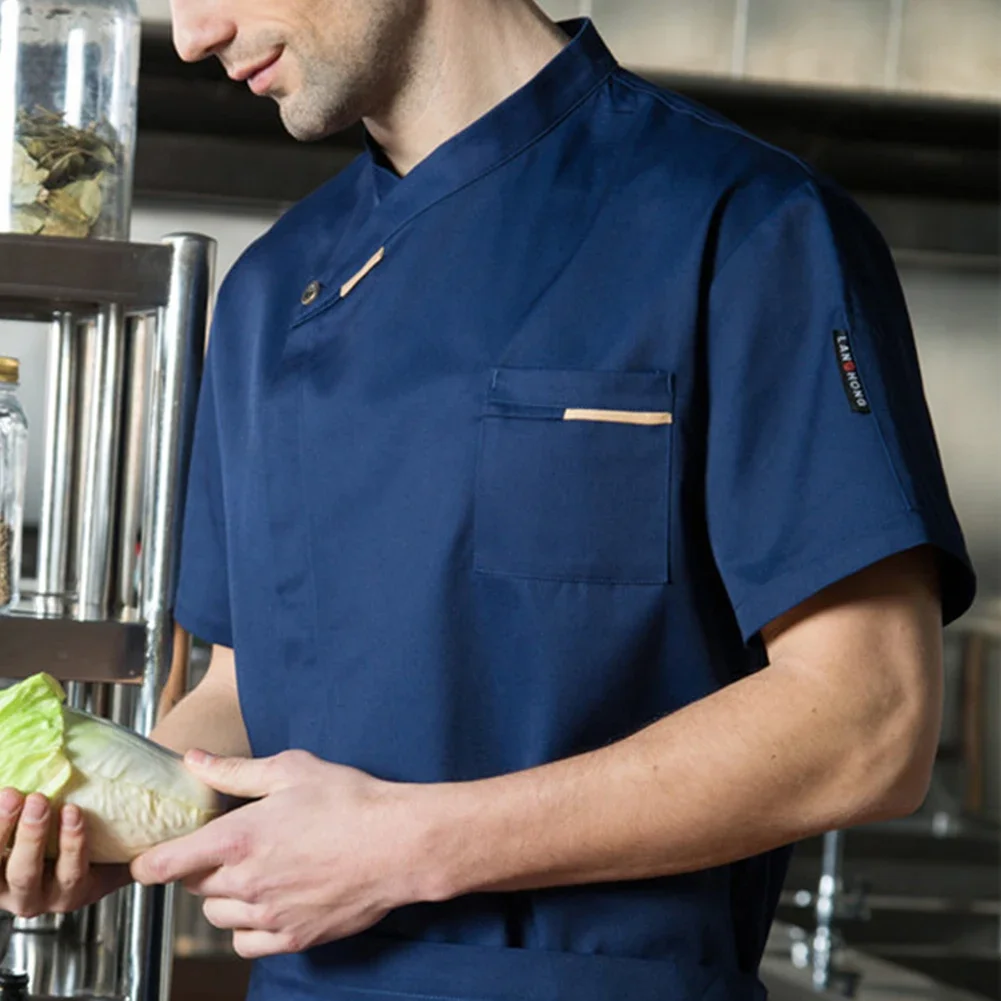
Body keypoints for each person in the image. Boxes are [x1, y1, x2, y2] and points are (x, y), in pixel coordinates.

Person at [0, 2, 977, 999]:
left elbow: (870, 720)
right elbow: (240, 692)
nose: (196, 34)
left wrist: (408, 845)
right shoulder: (269, 292)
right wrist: (105, 810)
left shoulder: (744, 223)